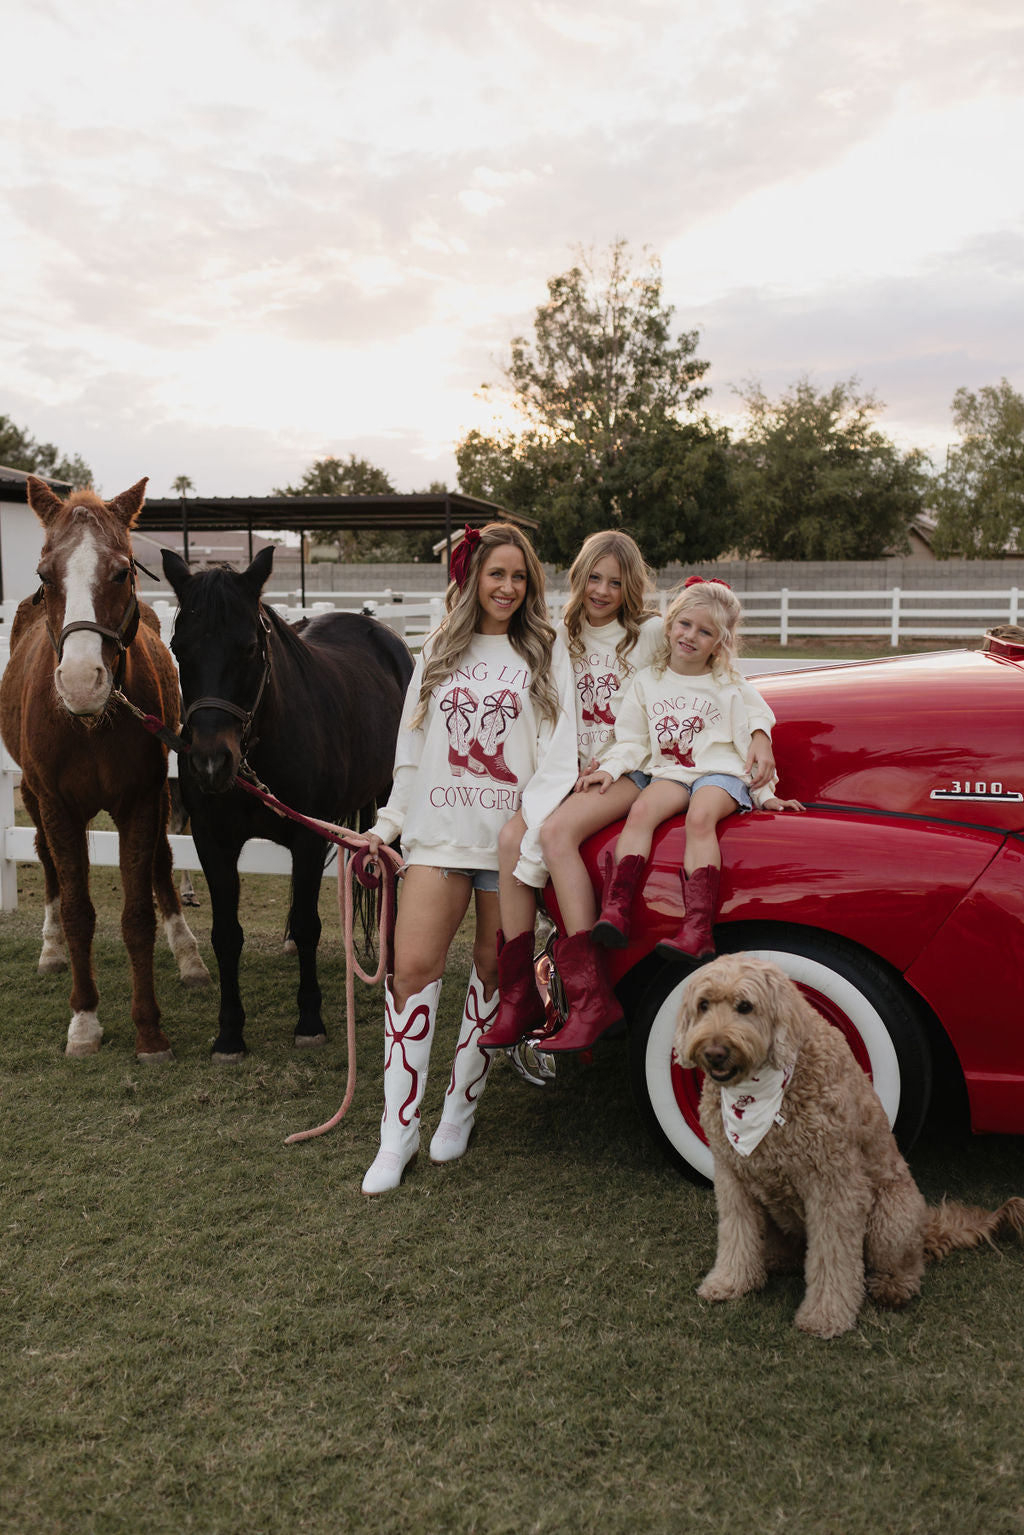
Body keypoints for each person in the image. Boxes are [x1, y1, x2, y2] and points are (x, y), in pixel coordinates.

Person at [360, 524, 576, 1195]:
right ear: (473, 578)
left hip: (507, 839)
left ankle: (460, 1106)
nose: (508, 587)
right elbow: (410, 747)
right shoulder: (440, 649)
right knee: (411, 969)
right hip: (438, 833)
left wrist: (530, 821)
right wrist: (391, 822)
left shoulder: (546, 649)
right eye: (496, 574)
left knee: (492, 969)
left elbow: (561, 747)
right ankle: (398, 1133)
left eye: (519, 576)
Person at [478, 529, 663, 1053]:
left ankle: (591, 998)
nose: (602, 592)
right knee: (511, 839)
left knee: (557, 834)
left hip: (629, 770)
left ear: (631, 588)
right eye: (594, 579)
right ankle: (519, 999)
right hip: (569, 772)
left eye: (615, 583)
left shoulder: (648, 634)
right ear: (579, 578)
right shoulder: (560, 635)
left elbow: (705, 675)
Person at [583, 576, 803, 963]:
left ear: (719, 643)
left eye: (705, 632)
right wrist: (613, 769)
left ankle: (696, 929)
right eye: (685, 624)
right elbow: (632, 740)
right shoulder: (648, 681)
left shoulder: (727, 683)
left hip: (720, 774)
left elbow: (756, 724)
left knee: (700, 818)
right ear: (669, 625)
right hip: (670, 772)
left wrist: (766, 795)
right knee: (641, 811)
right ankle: (615, 909)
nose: (691, 636)